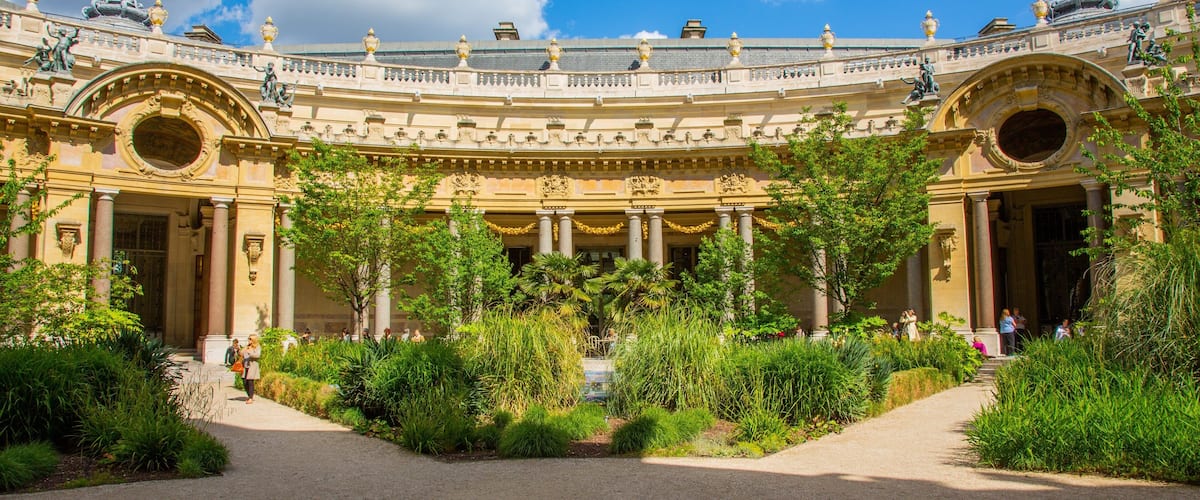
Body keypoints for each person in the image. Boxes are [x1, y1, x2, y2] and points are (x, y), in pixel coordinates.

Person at [241, 334, 262, 404]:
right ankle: (249, 395)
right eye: (248, 339)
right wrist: (244, 350)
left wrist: (250, 352)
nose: (249, 340)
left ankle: (250, 397)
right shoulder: (247, 347)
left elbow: (257, 355)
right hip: (246, 365)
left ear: (253, 340)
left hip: (252, 366)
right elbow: (241, 353)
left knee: (250, 381)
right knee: (244, 381)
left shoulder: (257, 347)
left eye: (250, 339)